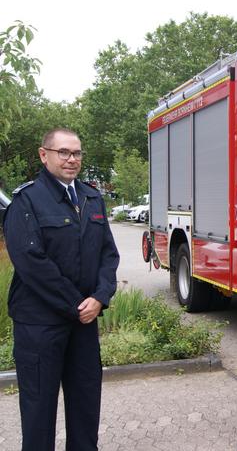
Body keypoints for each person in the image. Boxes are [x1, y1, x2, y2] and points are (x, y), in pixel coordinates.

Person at [3, 128, 120, 451]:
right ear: (44, 155)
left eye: (77, 153)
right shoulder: (27, 200)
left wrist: (100, 297)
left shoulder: (91, 197)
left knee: (85, 404)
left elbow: (108, 255)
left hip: (83, 322)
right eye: (64, 153)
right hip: (40, 325)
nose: (72, 160)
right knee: (39, 410)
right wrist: (77, 304)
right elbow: (31, 263)